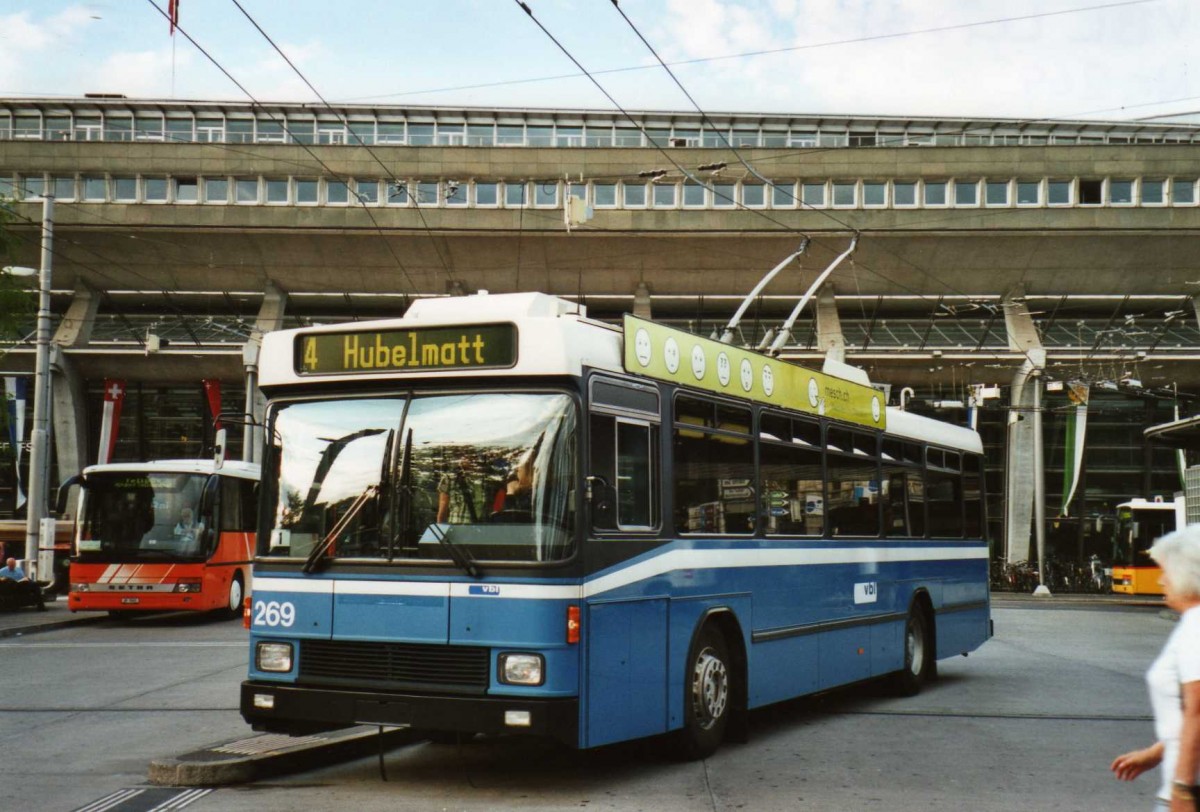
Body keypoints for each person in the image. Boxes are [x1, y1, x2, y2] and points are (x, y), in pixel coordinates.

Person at [1111, 526, 1200, 811]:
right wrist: (1157, 752)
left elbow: (1197, 710)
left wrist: (1183, 789)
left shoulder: (1196, 625)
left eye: (1166, 572)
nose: (1161, 580)